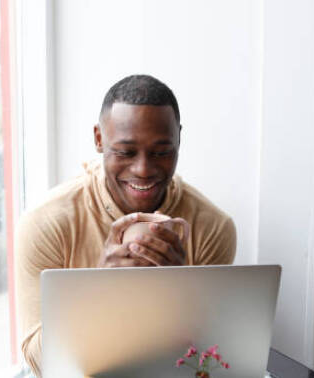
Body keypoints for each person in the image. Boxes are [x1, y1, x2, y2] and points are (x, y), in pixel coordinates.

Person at [14, 74, 237, 377]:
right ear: (98, 139)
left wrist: (182, 290)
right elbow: (41, 362)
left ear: (179, 140)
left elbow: (210, 362)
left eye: (161, 152)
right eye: (125, 152)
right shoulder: (47, 223)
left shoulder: (211, 227)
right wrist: (101, 289)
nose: (143, 170)